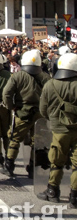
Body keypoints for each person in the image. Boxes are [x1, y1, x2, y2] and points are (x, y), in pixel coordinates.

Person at [1, 49, 50, 178]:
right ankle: (34, 169)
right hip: (40, 113)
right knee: (38, 141)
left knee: (14, 138)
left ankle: (9, 166)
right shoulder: (45, 77)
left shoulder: (17, 76)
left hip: (22, 112)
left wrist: (11, 107)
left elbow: (6, 93)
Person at [37, 52, 77, 208]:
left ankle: (52, 191)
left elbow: (43, 109)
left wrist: (52, 119)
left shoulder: (50, 84)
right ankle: (74, 197)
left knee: (56, 162)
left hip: (59, 129)